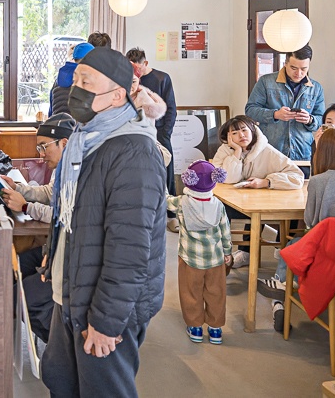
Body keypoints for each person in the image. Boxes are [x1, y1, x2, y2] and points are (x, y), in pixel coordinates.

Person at [41, 47, 165, 398]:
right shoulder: (86, 139)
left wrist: (106, 323)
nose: (75, 89)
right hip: (73, 292)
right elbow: (74, 213)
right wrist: (55, 251)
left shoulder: (133, 152)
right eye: (75, 80)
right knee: (63, 383)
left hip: (106, 309)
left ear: (116, 96)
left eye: (86, 82)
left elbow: (130, 250)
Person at [256, 127, 335, 327]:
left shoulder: (319, 181)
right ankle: (281, 286)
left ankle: (280, 294)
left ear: (321, 153)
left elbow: (311, 223)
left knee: (292, 246)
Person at [0, 113, 76, 344]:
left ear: (64, 143)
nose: (41, 156)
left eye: (44, 147)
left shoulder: (80, 171)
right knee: (10, 269)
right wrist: (21, 189)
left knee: (20, 297)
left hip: (71, 255)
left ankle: (60, 345)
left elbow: (64, 215)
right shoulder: (63, 167)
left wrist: (25, 207)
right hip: (55, 246)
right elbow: (50, 194)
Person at [210, 115, 304, 296]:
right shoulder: (225, 151)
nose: (241, 136)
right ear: (228, 137)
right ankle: (223, 256)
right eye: (235, 133)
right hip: (234, 203)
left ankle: (260, 254)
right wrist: (236, 153)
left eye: (244, 130)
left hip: (259, 205)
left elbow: (297, 176)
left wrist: (267, 182)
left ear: (253, 130)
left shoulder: (267, 151)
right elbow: (227, 179)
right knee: (218, 209)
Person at [167, 160, 231, 345]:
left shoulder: (182, 202)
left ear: (189, 180)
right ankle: (215, 329)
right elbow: (225, 231)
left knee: (191, 292)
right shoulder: (218, 205)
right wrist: (227, 252)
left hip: (190, 259)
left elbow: (164, 201)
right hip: (216, 259)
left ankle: (195, 328)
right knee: (216, 293)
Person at [127, 47, 178, 231]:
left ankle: (172, 215)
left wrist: (165, 133)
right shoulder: (126, 82)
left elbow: (171, 108)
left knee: (167, 173)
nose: (135, 73)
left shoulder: (161, 78)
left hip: (160, 134)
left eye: (137, 67)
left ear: (145, 63)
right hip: (138, 139)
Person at [245, 44, 325, 161]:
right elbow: (250, 110)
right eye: (293, 68)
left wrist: (310, 120)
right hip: (271, 151)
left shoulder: (316, 88)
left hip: (303, 152)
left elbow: (321, 119)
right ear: (285, 63)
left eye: (304, 69)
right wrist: (275, 114)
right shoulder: (265, 82)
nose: (299, 73)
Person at [49, 43, 94, 116]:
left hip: (57, 124)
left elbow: (51, 110)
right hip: (76, 126)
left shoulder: (58, 79)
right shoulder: (87, 80)